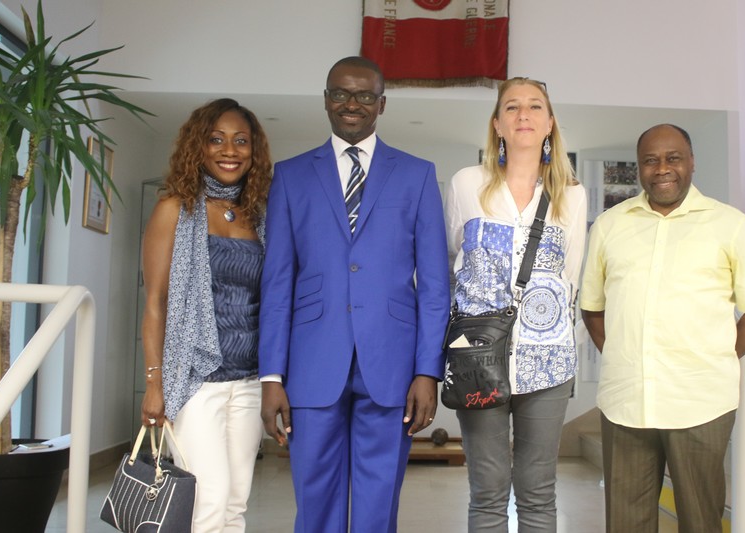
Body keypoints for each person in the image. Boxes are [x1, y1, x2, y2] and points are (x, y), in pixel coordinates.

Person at [259, 56, 450, 533]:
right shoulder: (291, 175)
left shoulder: (417, 175)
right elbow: (278, 282)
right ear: (326, 99)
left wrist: (428, 371)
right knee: (314, 499)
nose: (352, 104)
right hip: (311, 364)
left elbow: (434, 286)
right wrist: (271, 376)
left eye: (365, 95)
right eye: (340, 93)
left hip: (391, 364)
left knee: (377, 502)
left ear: (381, 104)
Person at [580, 123, 745, 533]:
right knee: (625, 524)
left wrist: (716, 356)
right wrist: (624, 356)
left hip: (701, 403)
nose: (662, 169)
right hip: (626, 404)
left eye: (673, 158)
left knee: (701, 521)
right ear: (639, 168)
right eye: (650, 160)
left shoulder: (731, 225)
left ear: (691, 163)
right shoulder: (609, 226)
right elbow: (592, 309)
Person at [445, 77, 587, 532]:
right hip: (478, 355)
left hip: (547, 361)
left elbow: (570, 277)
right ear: (497, 125)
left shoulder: (572, 194)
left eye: (534, 107)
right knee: (487, 491)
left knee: (538, 493)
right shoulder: (469, 183)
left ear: (549, 123)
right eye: (511, 107)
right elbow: (453, 261)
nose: (523, 115)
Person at [140, 98, 272, 532]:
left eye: (240, 141)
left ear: (254, 151)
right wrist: (155, 383)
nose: (229, 150)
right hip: (196, 378)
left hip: (250, 378)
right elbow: (156, 301)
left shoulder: (259, 216)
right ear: (198, 146)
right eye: (216, 139)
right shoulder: (174, 210)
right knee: (208, 500)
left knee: (235, 502)